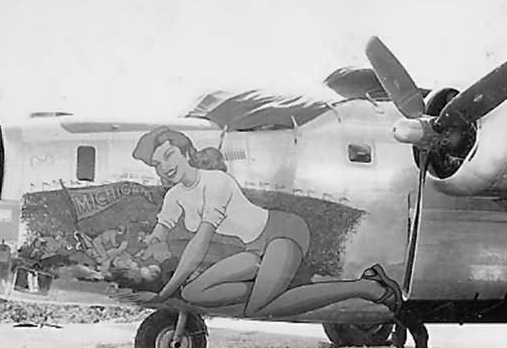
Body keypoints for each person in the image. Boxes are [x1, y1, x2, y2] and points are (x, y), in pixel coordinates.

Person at [132, 126, 402, 319]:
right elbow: (160, 231)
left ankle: (367, 287)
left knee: (259, 308)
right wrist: (148, 245)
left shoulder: (216, 182)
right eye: (156, 164)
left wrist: (164, 293)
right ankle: (270, 287)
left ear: (187, 152)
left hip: (281, 234)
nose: (164, 167)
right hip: (253, 251)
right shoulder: (175, 196)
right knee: (193, 292)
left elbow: (199, 244)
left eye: (169, 156)